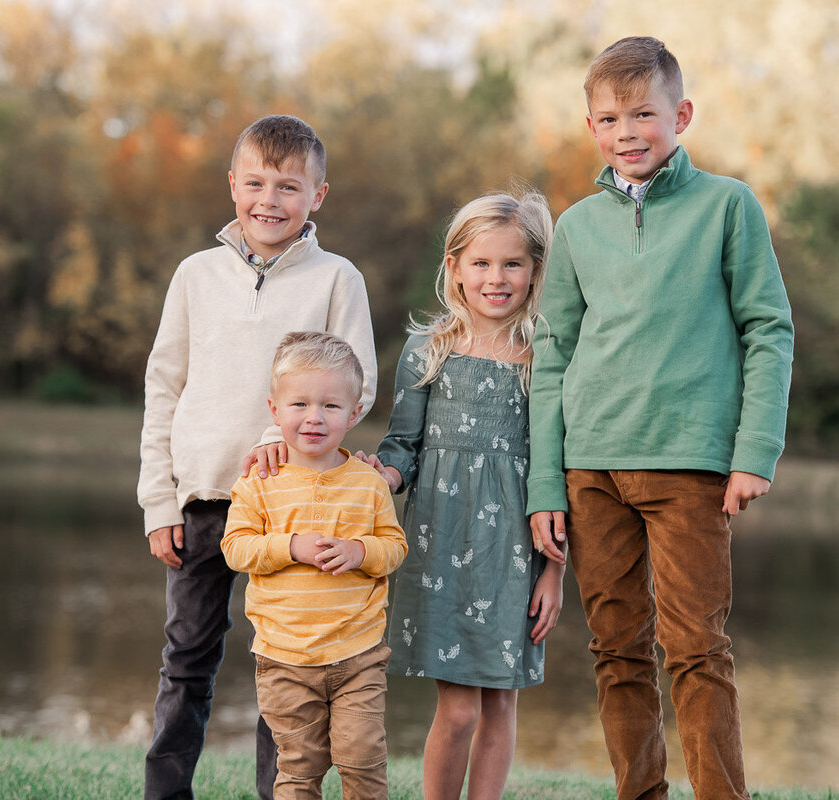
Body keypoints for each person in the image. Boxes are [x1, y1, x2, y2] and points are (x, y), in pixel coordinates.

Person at [526, 37, 794, 800]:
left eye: (643, 113)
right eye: (609, 118)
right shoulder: (576, 227)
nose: (627, 131)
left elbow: (768, 329)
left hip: (691, 467)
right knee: (616, 651)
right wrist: (547, 484)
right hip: (591, 469)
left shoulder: (727, 206)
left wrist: (755, 452)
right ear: (591, 128)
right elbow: (552, 356)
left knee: (697, 648)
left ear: (680, 115)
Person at [137, 114, 378, 800]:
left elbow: (355, 386)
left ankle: (285, 794)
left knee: (290, 666)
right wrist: (159, 501)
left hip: (295, 509)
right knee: (186, 659)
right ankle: (165, 793)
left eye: (288, 187)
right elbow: (163, 388)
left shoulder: (337, 279)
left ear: (317, 196)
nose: (269, 200)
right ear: (233, 186)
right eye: (255, 183)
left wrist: (287, 436)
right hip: (202, 502)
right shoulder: (195, 275)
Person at [360, 190, 566, 800]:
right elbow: (403, 446)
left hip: (515, 554)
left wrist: (553, 573)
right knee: (458, 712)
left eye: (512, 264)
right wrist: (382, 478)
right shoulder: (429, 350)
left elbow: (556, 470)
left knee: (500, 705)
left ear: (535, 271)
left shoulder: (545, 355)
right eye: (480, 263)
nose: (496, 278)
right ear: (454, 267)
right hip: (441, 544)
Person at [221, 331, 407, 800]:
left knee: (363, 759)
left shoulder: (369, 483)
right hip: (284, 657)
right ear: (274, 410)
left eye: (330, 406)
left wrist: (360, 553)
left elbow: (394, 545)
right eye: (299, 404)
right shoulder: (258, 481)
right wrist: (291, 546)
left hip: (358, 653)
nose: (314, 418)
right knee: (299, 769)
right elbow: (236, 548)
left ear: (355, 412)